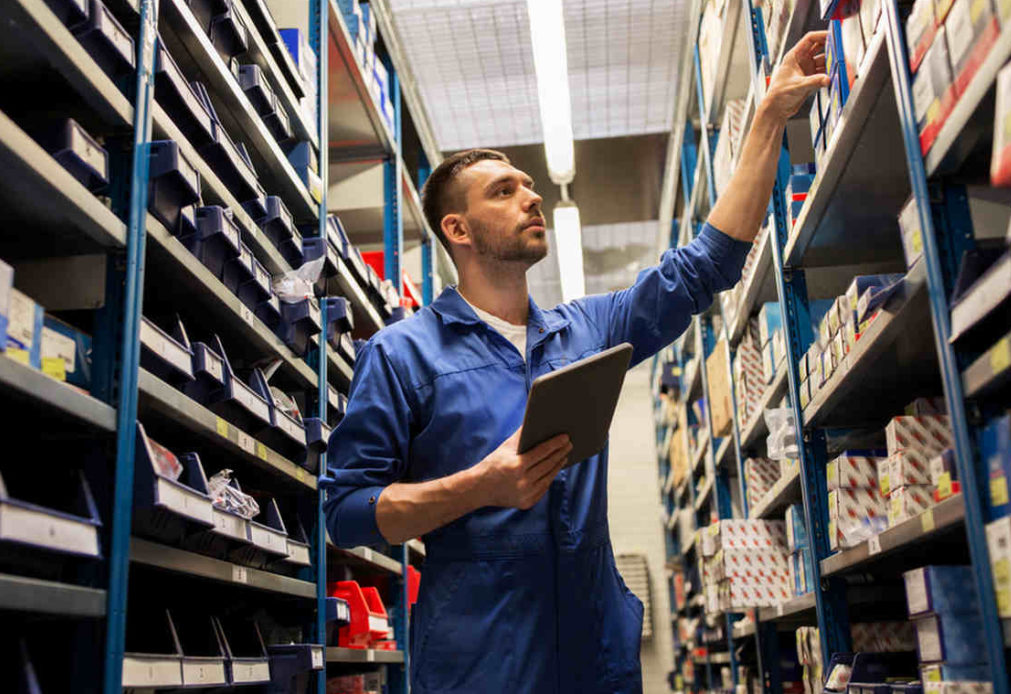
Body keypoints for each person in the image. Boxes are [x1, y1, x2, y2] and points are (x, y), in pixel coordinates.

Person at [321, 30, 831, 694]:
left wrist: (767, 120)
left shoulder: (587, 329)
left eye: (529, 186)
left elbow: (707, 265)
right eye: (504, 192)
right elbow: (347, 509)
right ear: (458, 230)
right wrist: (480, 485)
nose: (530, 197)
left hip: (596, 656)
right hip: (481, 667)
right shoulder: (401, 354)